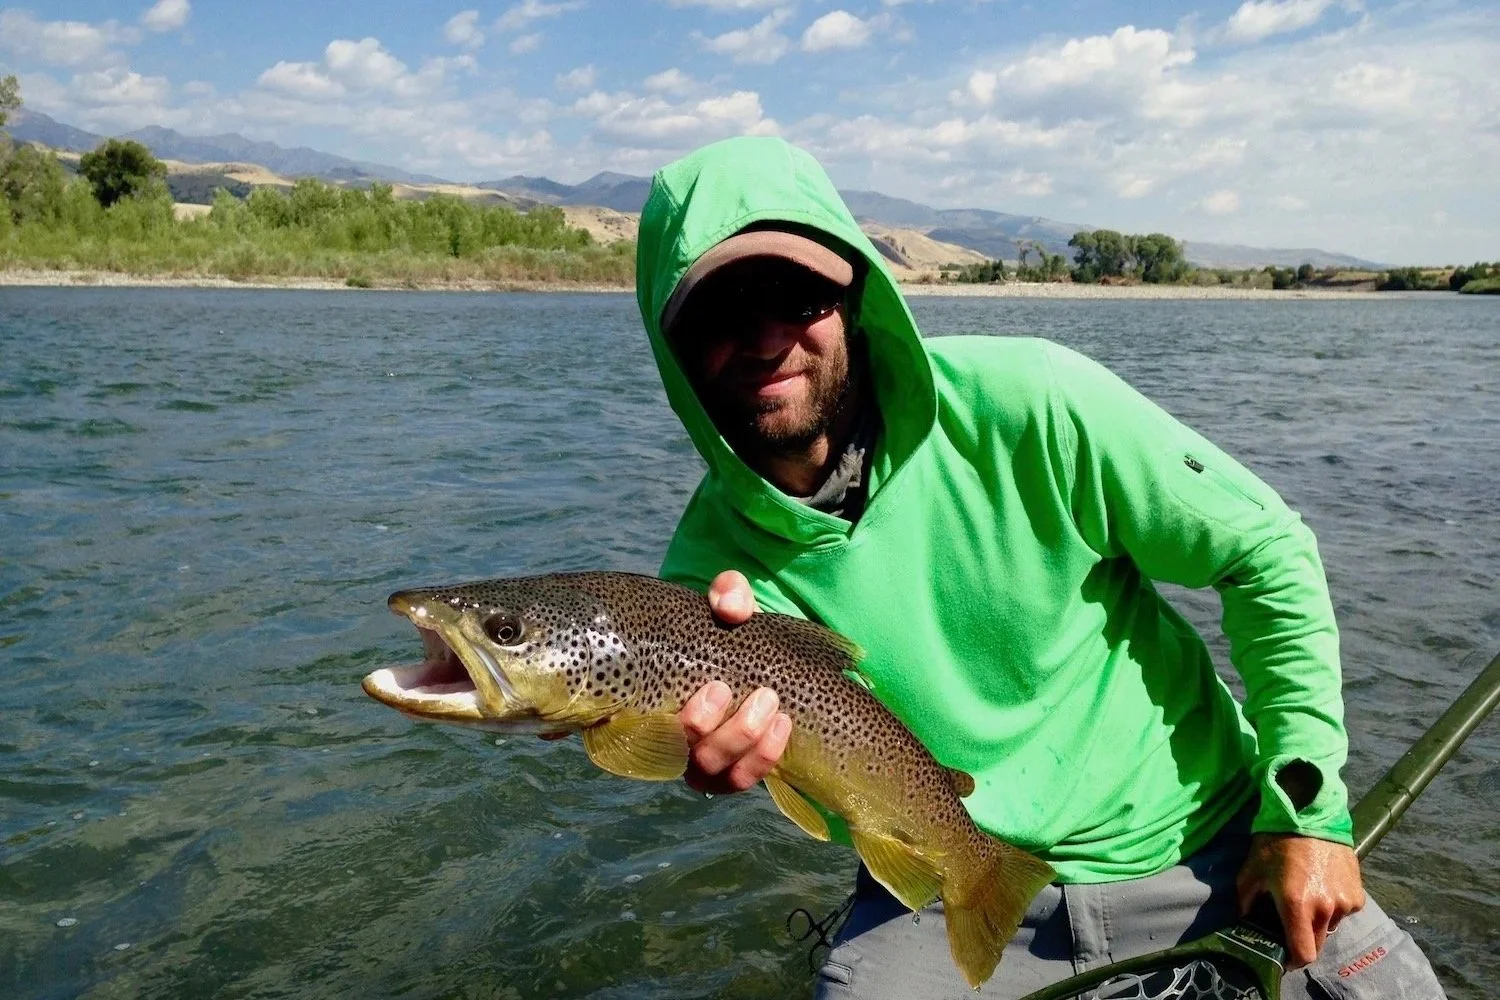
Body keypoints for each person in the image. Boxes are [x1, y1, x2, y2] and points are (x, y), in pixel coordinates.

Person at [631, 135, 1445, 999]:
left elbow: (1268, 554)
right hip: (948, 889)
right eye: (720, 312)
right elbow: (802, 776)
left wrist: (1309, 816)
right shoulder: (706, 581)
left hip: (1216, 847)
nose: (765, 339)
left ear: (853, 297)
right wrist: (718, 762)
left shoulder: (1033, 403)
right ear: (670, 343)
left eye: (796, 295)